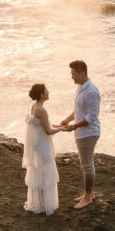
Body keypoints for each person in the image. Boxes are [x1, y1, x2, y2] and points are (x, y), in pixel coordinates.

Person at [58, 60, 101, 210]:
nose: (72, 77)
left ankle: (88, 197)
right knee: (86, 164)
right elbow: (78, 110)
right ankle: (88, 193)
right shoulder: (80, 88)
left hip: (88, 133)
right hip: (81, 132)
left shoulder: (92, 92)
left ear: (82, 73)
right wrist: (67, 120)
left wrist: (73, 126)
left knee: (87, 165)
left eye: (74, 74)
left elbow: (91, 118)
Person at [23, 83, 64, 215]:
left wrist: (58, 125)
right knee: (45, 171)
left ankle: (38, 203)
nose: (49, 92)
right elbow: (48, 130)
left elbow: (42, 125)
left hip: (37, 144)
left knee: (38, 171)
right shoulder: (42, 110)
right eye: (47, 90)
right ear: (42, 94)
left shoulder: (34, 107)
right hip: (43, 144)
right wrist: (62, 129)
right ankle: (46, 205)